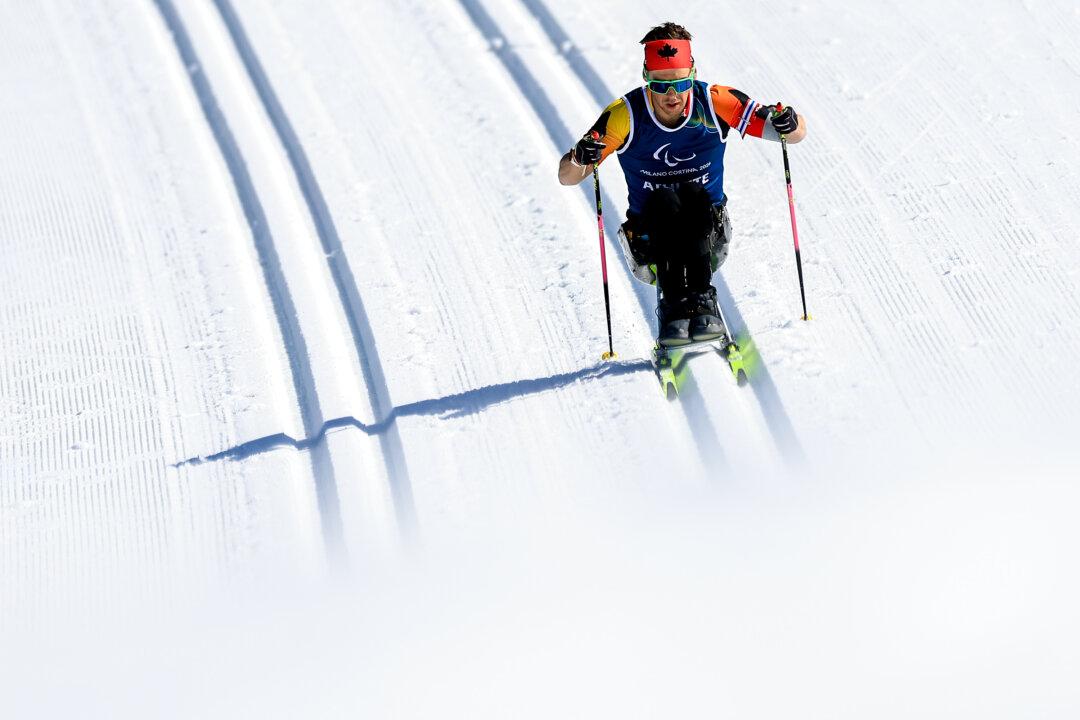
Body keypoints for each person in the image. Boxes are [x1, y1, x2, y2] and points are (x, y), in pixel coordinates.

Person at [558, 22, 807, 346]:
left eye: (680, 83)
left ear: (693, 73)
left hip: (709, 230)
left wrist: (788, 121)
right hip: (649, 239)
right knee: (665, 201)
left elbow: (794, 134)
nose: (672, 95)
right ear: (647, 77)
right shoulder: (625, 115)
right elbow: (568, 176)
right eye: (660, 86)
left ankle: (702, 301)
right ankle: (674, 307)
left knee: (692, 195)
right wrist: (580, 157)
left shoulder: (716, 101)